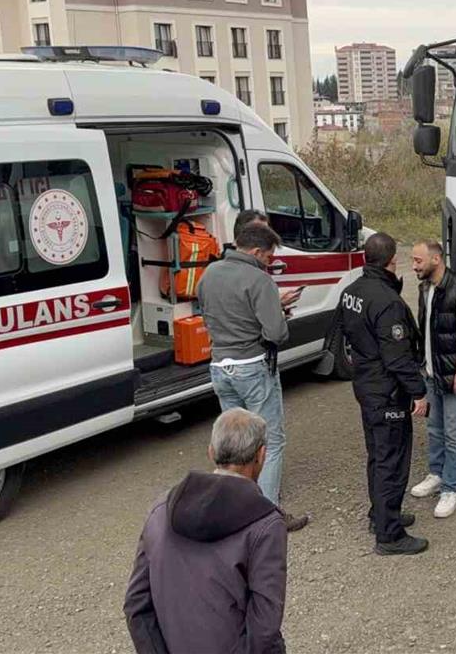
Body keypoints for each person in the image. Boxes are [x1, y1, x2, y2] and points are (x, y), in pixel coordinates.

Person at [124, 408, 288, 654]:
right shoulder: (265, 525)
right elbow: (265, 621)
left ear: (211, 452)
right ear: (261, 455)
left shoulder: (161, 509)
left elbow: (136, 603)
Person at [198, 222, 308, 531]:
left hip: (220, 366)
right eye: (269, 257)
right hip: (253, 366)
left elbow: (211, 314)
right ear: (257, 251)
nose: (269, 263)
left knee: (234, 442)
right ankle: (267, 515)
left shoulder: (210, 273)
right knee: (269, 441)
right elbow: (276, 333)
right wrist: (278, 311)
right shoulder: (260, 280)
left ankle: (234, 507)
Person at [338, 232, 430, 555]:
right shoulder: (388, 302)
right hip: (387, 393)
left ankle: (380, 515)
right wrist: (418, 392)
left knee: (378, 455)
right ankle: (389, 536)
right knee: (391, 460)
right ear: (392, 261)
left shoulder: (351, 291)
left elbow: (343, 334)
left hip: (366, 387)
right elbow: (398, 358)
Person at [408, 240, 456, 519]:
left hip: (454, 376)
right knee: (434, 428)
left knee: (454, 434)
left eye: (418, 260)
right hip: (432, 372)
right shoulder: (425, 288)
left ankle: (451, 488)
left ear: (436, 259)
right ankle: (436, 474)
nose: (413, 266)